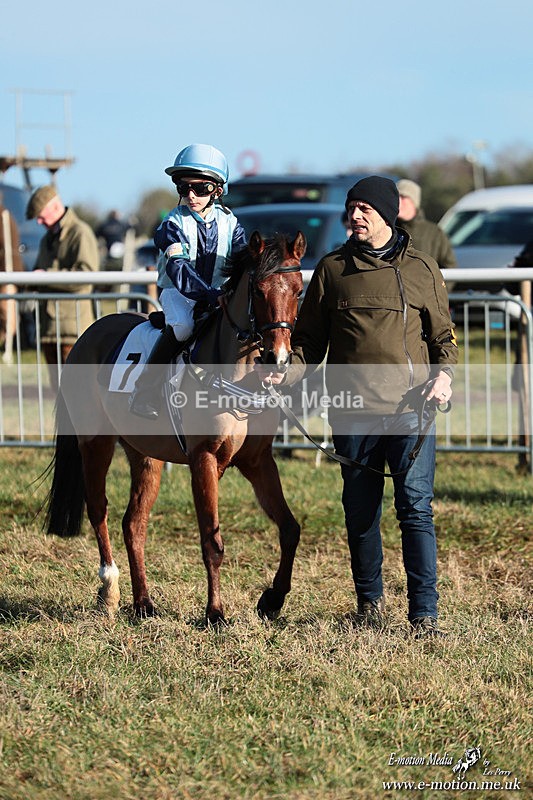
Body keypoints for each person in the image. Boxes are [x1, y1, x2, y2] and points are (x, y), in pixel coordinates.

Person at [264, 176, 458, 637]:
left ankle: (424, 613)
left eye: (365, 209)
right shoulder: (332, 269)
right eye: (351, 208)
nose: (355, 216)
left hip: (412, 408)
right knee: (361, 511)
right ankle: (369, 603)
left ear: (387, 214)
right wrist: (285, 372)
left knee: (415, 508)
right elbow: (309, 342)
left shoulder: (423, 268)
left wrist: (444, 377)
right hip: (352, 410)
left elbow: (443, 337)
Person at [129, 143, 247, 419]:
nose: (191, 195)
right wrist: (208, 295)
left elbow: (244, 261)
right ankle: (145, 390)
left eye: (201, 188)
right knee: (183, 328)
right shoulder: (171, 224)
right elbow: (178, 268)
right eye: (184, 188)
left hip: (218, 293)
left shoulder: (232, 224)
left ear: (217, 190)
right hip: (179, 293)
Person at [26, 185, 99, 393]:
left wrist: (46, 276)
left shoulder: (80, 233)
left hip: (73, 330)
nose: (39, 223)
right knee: (58, 394)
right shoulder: (46, 239)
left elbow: (86, 275)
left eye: (41, 217)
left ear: (55, 206)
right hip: (50, 329)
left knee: (81, 395)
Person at [396, 179, 457, 273]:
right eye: (396, 196)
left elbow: (450, 267)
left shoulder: (434, 233)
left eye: (403, 197)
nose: (398, 201)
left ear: (414, 202)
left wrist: (437, 287)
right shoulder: (388, 230)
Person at [0, 198, 24, 348]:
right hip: (6, 272)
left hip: (6, 273)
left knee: (6, 313)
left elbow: (7, 248)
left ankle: (7, 344)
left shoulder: (4, 218)